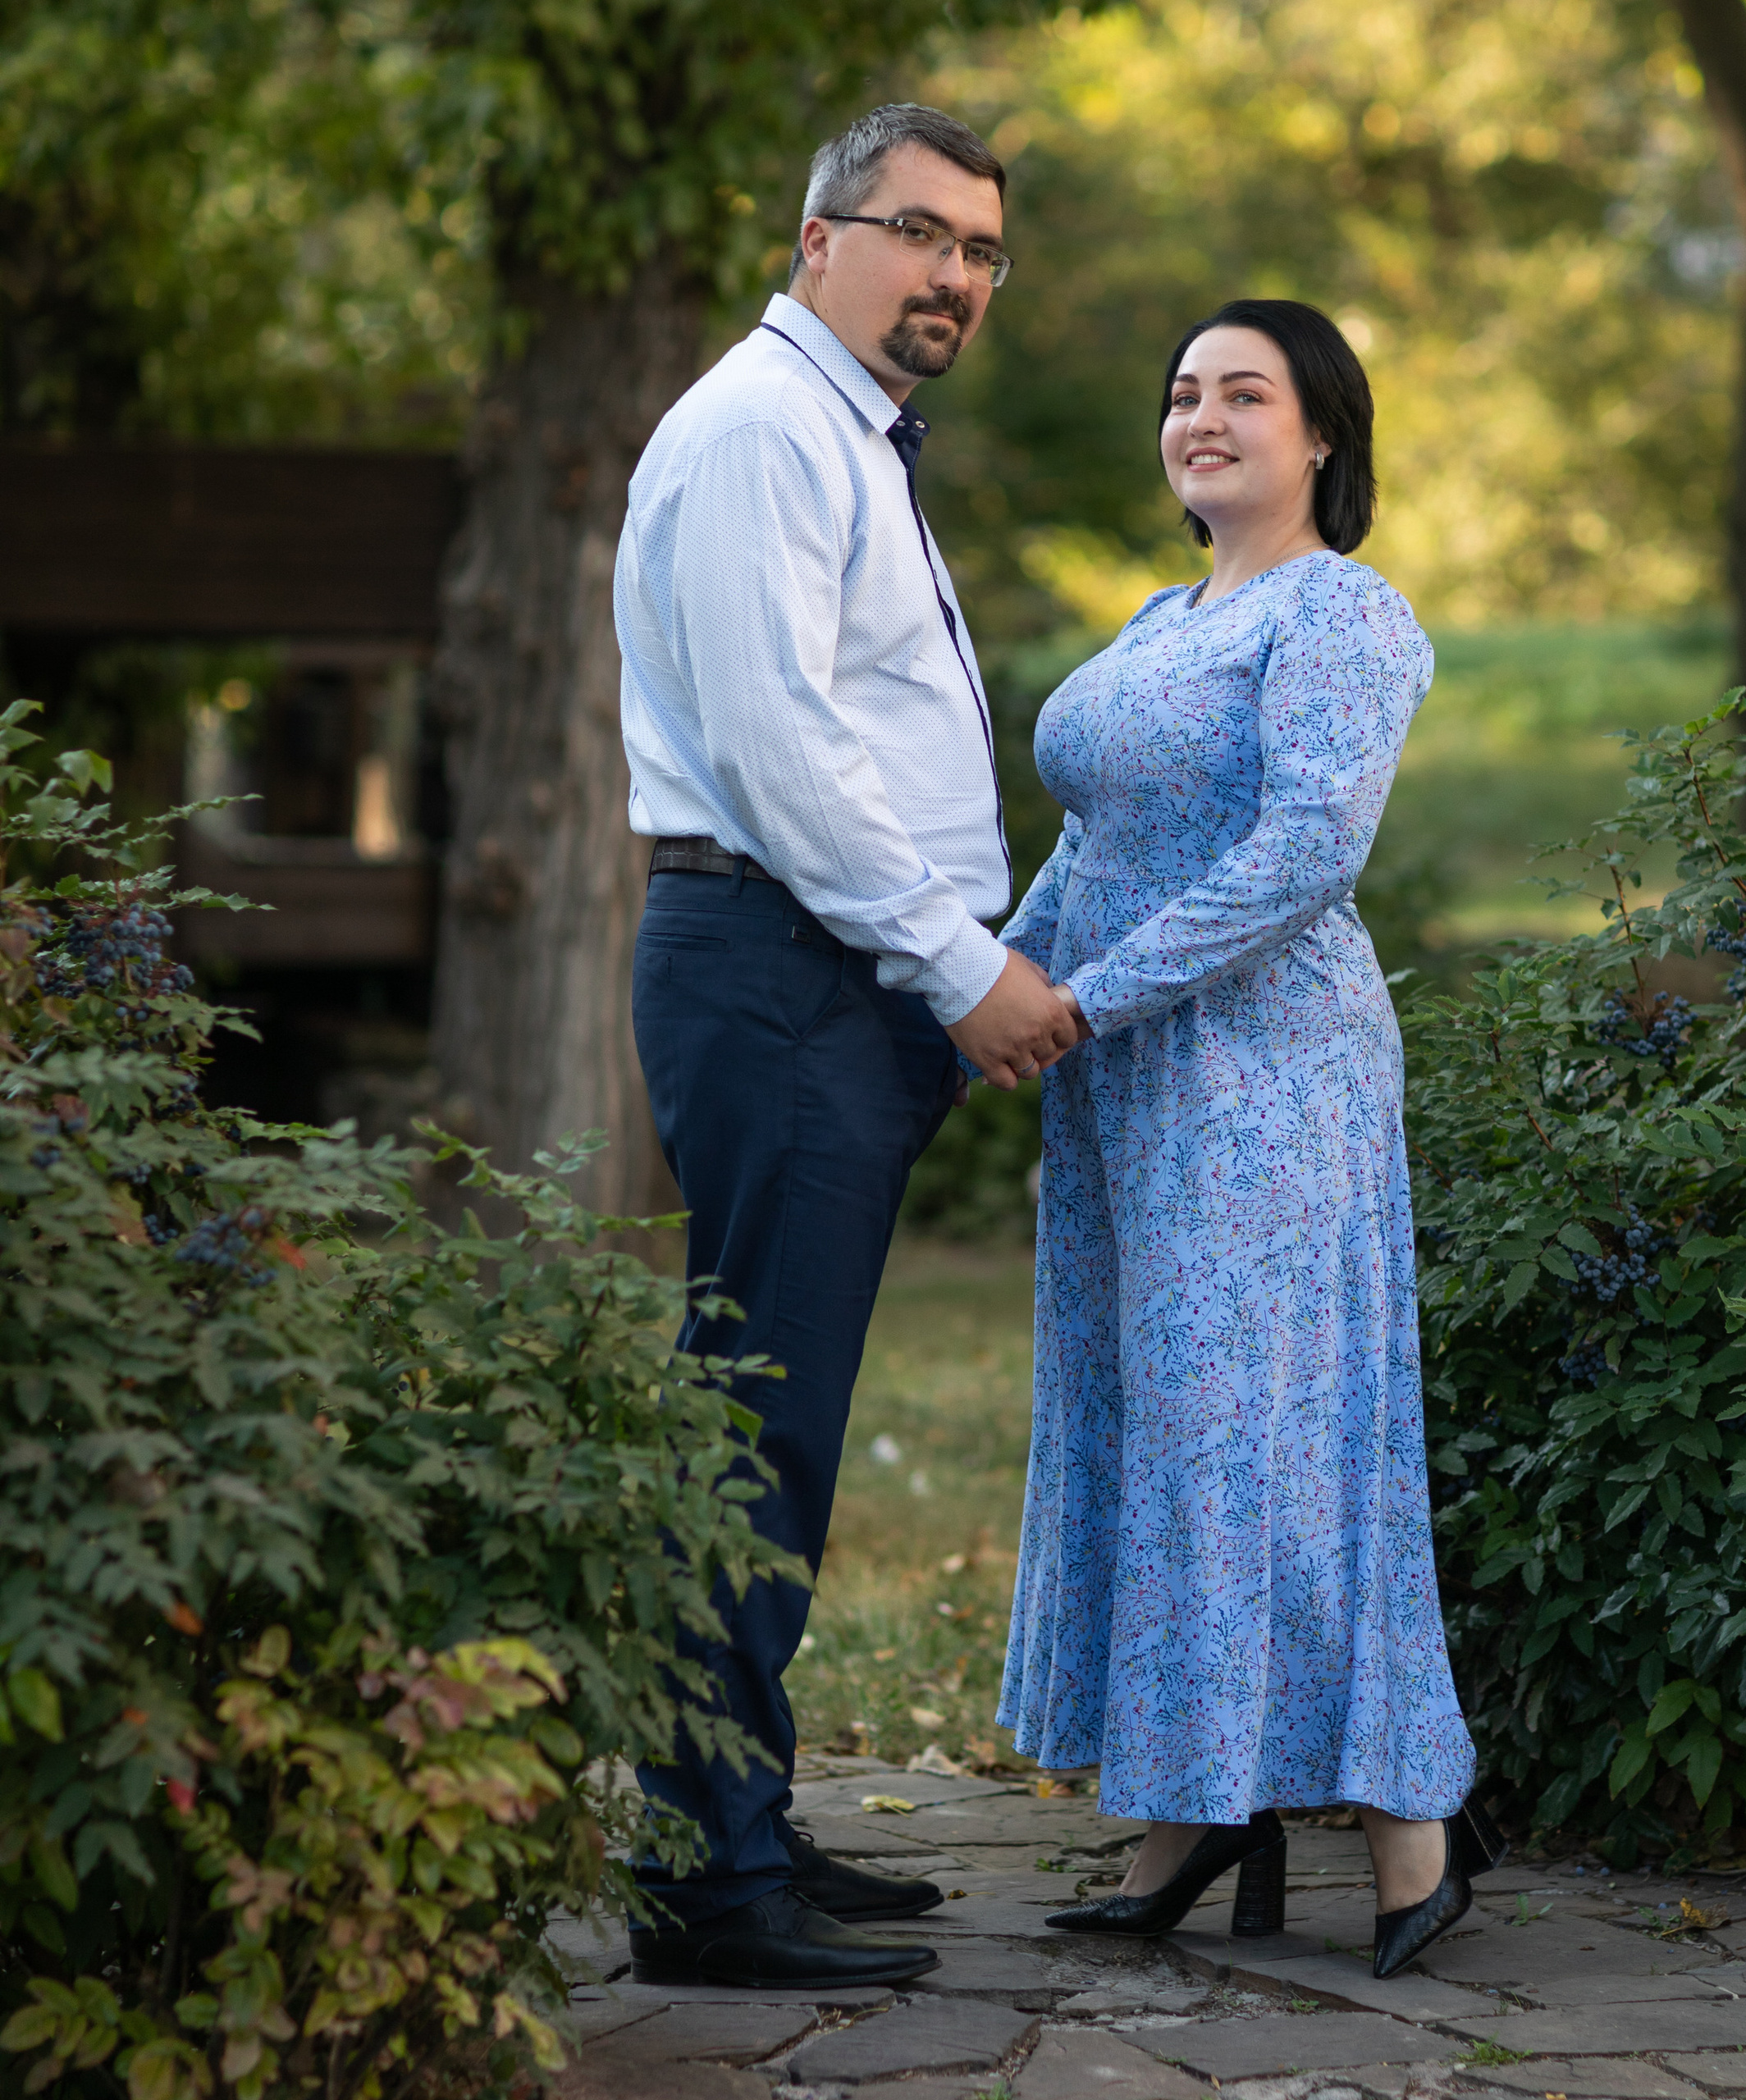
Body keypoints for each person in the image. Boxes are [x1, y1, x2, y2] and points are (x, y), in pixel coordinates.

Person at [615, 103, 1077, 1988]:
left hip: (824, 976)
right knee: (756, 1426)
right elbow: (783, 749)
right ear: (818, 239)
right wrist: (954, 962)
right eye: (919, 233)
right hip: (784, 962)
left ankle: (737, 1809)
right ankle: (705, 1883)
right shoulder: (756, 431)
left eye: (980, 247)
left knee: (771, 1419)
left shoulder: (836, 435)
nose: (953, 273)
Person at [995, 299, 1504, 1978]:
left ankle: (1410, 1837)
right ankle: (1190, 1805)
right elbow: (1092, 842)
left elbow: (1304, 850)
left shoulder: (1341, 612)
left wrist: (1089, 995)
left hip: (1266, 1081)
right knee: (1162, 1440)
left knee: (1278, 1440)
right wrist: (990, 986)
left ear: (1321, 436)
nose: (1198, 417)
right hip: (1129, 1082)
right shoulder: (1157, 618)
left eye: (1242, 394)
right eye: (1181, 394)